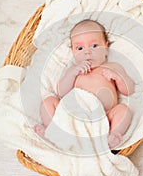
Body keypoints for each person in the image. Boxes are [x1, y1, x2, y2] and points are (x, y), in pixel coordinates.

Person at [34, 20, 135, 149]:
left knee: (124, 110)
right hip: (72, 115)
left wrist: (119, 79)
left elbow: (129, 90)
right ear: (73, 51)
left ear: (106, 46)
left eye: (94, 46)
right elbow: (61, 92)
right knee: (49, 102)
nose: (87, 52)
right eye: (80, 48)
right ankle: (52, 132)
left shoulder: (112, 67)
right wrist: (73, 74)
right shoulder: (74, 70)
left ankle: (111, 137)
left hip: (102, 118)